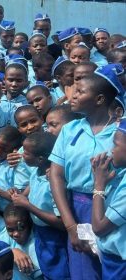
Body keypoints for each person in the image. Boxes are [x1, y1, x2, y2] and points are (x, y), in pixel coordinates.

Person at [49, 65, 123, 280]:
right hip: (77, 209)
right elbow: (56, 175)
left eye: (80, 91)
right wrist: (71, 225)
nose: (72, 95)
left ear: (99, 99)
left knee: (114, 269)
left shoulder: (120, 133)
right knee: (84, 273)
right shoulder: (70, 130)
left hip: (113, 211)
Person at [11, 132, 70, 279]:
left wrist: (28, 205)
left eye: (26, 153)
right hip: (41, 233)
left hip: (55, 237)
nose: (22, 155)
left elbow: (62, 223)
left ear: (40, 159)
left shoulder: (55, 183)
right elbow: (29, 189)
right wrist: (18, 195)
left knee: (60, 272)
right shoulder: (37, 171)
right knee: (47, 270)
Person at [91, 119, 126, 279]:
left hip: (120, 265)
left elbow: (99, 227)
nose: (111, 151)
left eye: (115, 145)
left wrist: (99, 184)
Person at [0, 203, 42, 279]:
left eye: (21, 228)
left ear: (29, 224)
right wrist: (11, 251)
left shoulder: (37, 244)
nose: (16, 234)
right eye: (10, 230)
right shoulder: (5, 235)